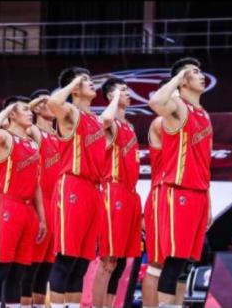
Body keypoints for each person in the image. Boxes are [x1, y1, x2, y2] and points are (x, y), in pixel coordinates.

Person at [148, 58, 213, 308]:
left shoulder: (204, 114)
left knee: (186, 262)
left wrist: (208, 202)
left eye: (200, 71)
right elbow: (155, 102)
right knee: (173, 260)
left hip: (199, 192)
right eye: (195, 72)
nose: (201, 75)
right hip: (179, 190)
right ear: (184, 80)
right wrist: (177, 77)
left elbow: (204, 163)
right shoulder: (178, 107)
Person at [47, 67, 112, 308]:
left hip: (93, 190)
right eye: (85, 81)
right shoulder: (70, 113)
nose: (91, 83)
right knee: (66, 257)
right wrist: (73, 82)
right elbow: (53, 102)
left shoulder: (95, 119)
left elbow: (109, 118)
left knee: (82, 262)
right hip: (73, 185)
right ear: (74, 88)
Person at [0, 97, 47, 308]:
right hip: (7, 203)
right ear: (12, 114)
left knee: (18, 271)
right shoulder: (5, 137)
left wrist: (42, 218)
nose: (30, 113)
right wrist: (8, 108)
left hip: (27, 209)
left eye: (30, 110)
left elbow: (36, 184)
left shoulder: (32, 143)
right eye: (25, 110)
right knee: (1, 268)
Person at [96, 77, 142, 308]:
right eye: (122, 90)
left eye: (127, 90)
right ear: (110, 95)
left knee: (122, 261)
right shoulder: (110, 123)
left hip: (131, 192)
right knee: (109, 260)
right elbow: (103, 120)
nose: (128, 93)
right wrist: (113, 99)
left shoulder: (129, 126)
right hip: (113, 190)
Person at [142, 79, 187, 308]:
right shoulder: (161, 122)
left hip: (184, 195)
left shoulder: (191, 121)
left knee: (180, 262)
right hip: (163, 193)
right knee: (158, 262)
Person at [23, 90, 60, 308]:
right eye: (47, 103)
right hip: (40, 203)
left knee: (46, 267)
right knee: (31, 266)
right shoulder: (34, 131)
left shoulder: (58, 134)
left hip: (57, 204)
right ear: (37, 108)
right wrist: (35, 104)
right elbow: (21, 117)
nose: (53, 106)